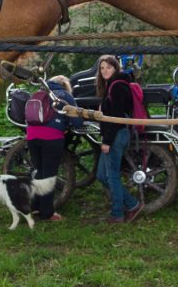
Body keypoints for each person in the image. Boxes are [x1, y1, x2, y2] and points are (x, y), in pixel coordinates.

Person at [26, 75, 83, 221]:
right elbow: (76, 121)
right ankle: (47, 213)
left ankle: (35, 207)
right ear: (65, 85)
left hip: (32, 137)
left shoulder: (37, 94)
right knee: (49, 175)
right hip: (51, 139)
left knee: (40, 172)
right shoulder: (65, 96)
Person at [95, 55, 144, 224]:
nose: (105, 71)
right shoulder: (111, 86)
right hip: (111, 134)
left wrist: (107, 142)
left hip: (116, 135)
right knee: (102, 175)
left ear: (116, 68)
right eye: (102, 68)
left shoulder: (117, 87)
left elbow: (116, 118)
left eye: (108, 67)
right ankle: (132, 203)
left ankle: (117, 214)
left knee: (112, 176)